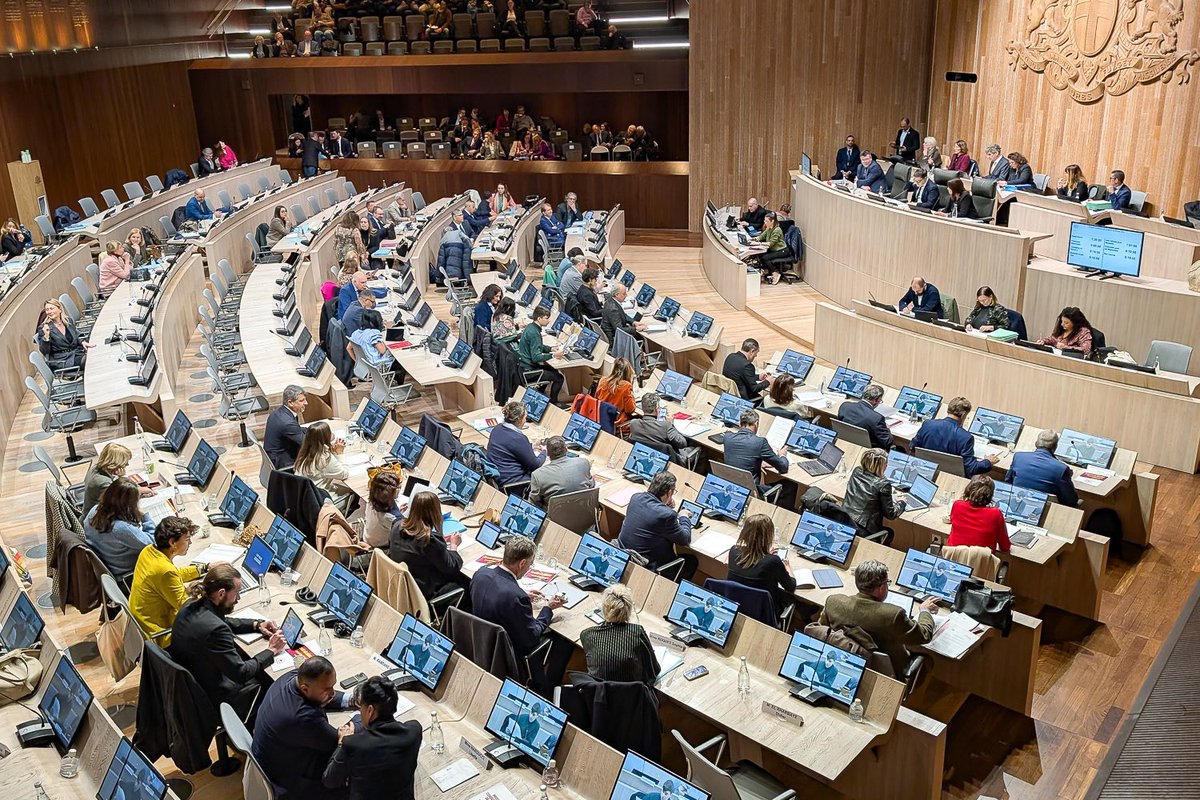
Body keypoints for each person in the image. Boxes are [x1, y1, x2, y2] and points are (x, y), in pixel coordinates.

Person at [170, 564, 285, 716]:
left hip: (190, 685)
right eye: (236, 593)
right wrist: (271, 650)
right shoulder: (215, 630)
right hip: (212, 697)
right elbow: (241, 673)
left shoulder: (192, 604)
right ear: (222, 593)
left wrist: (255, 625)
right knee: (276, 684)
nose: (238, 599)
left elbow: (222, 621)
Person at [253, 656, 353, 800]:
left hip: (274, 757)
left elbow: (319, 695)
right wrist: (364, 716)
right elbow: (338, 741)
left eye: (333, 685)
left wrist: (350, 699)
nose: (332, 693)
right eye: (327, 689)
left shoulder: (293, 677)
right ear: (305, 689)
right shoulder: (302, 717)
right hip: (287, 780)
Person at [470, 537, 566, 684]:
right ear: (522, 563)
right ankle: (545, 688)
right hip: (504, 655)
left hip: (477, 641)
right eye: (530, 564)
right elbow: (531, 638)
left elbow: (497, 590)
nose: (529, 568)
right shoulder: (516, 597)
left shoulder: (480, 574)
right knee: (562, 642)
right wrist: (547, 608)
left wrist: (520, 592)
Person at [820, 560, 936, 673]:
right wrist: (925, 610)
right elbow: (924, 635)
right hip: (885, 671)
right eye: (887, 582)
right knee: (928, 659)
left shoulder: (833, 602)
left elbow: (822, 629)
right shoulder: (893, 615)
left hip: (848, 659)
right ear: (881, 588)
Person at [322, 676, 421, 800]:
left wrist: (341, 742)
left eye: (360, 708)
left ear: (370, 710)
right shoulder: (414, 730)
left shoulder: (353, 745)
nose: (360, 712)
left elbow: (330, 780)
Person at [129, 516, 205, 646]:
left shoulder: (148, 551)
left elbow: (175, 573)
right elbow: (187, 607)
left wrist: (203, 568)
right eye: (187, 540)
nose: (190, 543)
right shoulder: (164, 571)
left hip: (142, 625)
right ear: (172, 543)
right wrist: (210, 589)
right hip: (161, 634)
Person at [389, 491, 469, 605]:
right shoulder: (428, 541)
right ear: (435, 512)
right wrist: (454, 545)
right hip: (424, 594)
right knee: (467, 583)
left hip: (403, 587)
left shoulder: (397, 525)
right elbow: (452, 566)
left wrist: (440, 539)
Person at [617, 471, 696, 580]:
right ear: (668, 493)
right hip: (646, 566)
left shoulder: (636, 498)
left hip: (624, 554)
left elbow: (652, 514)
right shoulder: (667, 516)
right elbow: (685, 539)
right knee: (692, 560)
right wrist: (684, 516)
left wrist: (664, 504)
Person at [580, 584, 660, 684]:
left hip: (599, 696)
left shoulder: (587, 635)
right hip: (631, 698)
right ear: (629, 610)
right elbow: (654, 671)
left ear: (604, 609)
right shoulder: (637, 632)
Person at [83, 478, 156, 582]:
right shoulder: (121, 529)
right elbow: (153, 542)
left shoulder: (94, 511)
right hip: (126, 574)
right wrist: (145, 517)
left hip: (108, 563)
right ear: (129, 505)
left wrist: (134, 491)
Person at [727, 514, 796, 616]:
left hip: (736, 607)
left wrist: (765, 553)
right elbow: (790, 586)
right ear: (769, 536)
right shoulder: (772, 561)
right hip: (762, 614)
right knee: (792, 599)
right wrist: (787, 566)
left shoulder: (734, 551)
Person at [912, 396, 999, 477]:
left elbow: (912, 447)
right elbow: (970, 469)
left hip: (925, 473)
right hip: (951, 477)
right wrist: (988, 462)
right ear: (963, 415)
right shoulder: (966, 437)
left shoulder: (928, 424)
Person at [723, 409, 792, 505]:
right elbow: (783, 468)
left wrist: (757, 462)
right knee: (790, 485)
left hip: (731, 485)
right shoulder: (760, 442)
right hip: (752, 492)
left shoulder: (727, 437)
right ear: (756, 424)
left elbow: (741, 456)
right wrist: (782, 455)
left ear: (740, 424)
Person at [1005, 429, 1079, 506]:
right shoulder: (1061, 468)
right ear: (1055, 447)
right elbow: (1071, 500)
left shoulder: (1019, 456)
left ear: (1036, 443)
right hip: (1048, 510)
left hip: (1017, 504)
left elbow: (1008, 482)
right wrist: (1066, 477)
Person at [841, 448, 904, 537]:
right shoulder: (883, 485)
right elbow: (891, 515)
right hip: (863, 529)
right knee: (890, 533)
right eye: (886, 464)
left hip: (845, 519)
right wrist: (901, 503)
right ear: (883, 466)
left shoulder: (857, 471)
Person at [294, 422, 354, 514]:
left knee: (339, 487)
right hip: (321, 502)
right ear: (326, 437)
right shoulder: (324, 459)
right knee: (353, 493)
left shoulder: (305, 453)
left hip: (307, 499)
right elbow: (344, 474)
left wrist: (332, 452)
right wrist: (340, 453)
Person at [486, 400, 547, 487]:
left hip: (497, 476)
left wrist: (532, 446)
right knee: (548, 476)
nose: (525, 420)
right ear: (519, 419)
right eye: (525, 418)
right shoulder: (518, 438)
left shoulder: (497, 428)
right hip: (514, 483)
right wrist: (545, 452)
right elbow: (535, 464)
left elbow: (513, 448)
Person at [83, 442, 153, 517]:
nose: (127, 465)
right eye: (125, 463)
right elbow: (123, 502)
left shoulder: (96, 468)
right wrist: (136, 489)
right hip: (96, 520)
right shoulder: (103, 482)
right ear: (116, 464)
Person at [529, 435, 594, 507]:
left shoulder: (538, 475)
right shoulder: (584, 463)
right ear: (566, 449)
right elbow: (592, 486)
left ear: (547, 453)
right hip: (583, 512)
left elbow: (533, 504)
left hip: (553, 516)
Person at [949, 476, 1011, 552]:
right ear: (990, 495)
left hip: (953, 560)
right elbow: (1005, 547)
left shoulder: (957, 505)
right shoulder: (995, 513)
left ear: (968, 489)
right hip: (981, 562)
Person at [517, 305, 565, 401]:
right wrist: (553, 355)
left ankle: (541, 395)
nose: (549, 321)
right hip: (529, 370)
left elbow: (537, 346)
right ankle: (554, 402)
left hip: (524, 366)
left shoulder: (531, 327)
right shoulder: (535, 333)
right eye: (546, 318)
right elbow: (536, 357)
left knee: (554, 371)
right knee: (559, 377)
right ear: (539, 318)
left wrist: (550, 349)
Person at [628, 394, 688, 462]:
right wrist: (671, 424)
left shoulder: (633, 423)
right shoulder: (665, 426)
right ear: (657, 409)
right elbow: (682, 444)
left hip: (643, 455)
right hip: (668, 460)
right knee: (700, 452)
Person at [36, 298, 88, 370]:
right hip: (62, 361)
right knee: (87, 361)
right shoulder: (44, 328)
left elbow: (76, 335)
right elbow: (45, 351)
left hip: (76, 353)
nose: (49, 311)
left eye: (51, 308)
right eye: (47, 310)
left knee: (92, 355)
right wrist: (46, 336)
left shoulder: (68, 321)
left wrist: (83, 342)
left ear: (60, 309)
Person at [838, 384, 894, 450]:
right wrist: (887, 428)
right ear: (877, 400)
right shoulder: (877, 418)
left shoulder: (845, 406)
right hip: (867, 450)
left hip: (843, 443)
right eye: (880, 401)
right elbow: (887, 442)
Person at [264, 386, 307, 468]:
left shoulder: (279, 412)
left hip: (276, 454)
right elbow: (307, 443)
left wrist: (311, 430)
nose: (306, 403)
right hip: (282, 462)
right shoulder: (287, 422)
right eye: (302, 401)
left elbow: (296, 430)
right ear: (290, 403)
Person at [365, 471, 404, 549]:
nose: (399, 489)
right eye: (398, 488)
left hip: (368, 536)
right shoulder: (390, 518)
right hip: (380, 546)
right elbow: (405, 534)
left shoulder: (371, 502)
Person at [596, 357, 636, 431]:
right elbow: (630, 410)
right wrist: (632, 395)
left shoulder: (603, 380)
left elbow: (597, 398)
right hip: (617, 423)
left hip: (600, 418)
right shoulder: (626, 386)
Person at [752, 212, 788, 284]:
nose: (765, 223)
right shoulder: (769, 228)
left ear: (772, 221)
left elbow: (771, 243)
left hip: (782, 250)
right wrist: (754, 239)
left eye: (767, 221)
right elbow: (762, 236)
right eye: (764, 221)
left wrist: (758, 243)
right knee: (760, 255)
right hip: (774, 249)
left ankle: (775, 273)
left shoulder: (777, 230)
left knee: (765, 257)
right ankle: (767, 270)